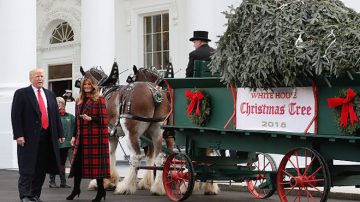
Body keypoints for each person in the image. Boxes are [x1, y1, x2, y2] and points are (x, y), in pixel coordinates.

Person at [11, 68, 65, 202]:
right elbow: (15, 116)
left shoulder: (50, 94)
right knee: (27, 168)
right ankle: (25, 196)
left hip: (47, 137)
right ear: (31, 78)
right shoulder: (21, 93)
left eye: (42, 76)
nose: (40, 79)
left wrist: (60, 133)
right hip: (28, 139)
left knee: (41, 169)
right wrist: (19, 135)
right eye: (37, 76)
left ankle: (35, 195)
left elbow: (55, 116)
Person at [66, 73, 110, 202]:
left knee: (97, 167)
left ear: (93, 86)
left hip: (95, 138)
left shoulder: (99, 100)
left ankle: (101, 191)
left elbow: (104, 120)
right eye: (84, 84)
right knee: (77, 165)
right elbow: (76, 122)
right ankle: (76, 189)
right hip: (81, 138)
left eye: (89, 84)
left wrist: (91, 119)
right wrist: (74, 136)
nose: (86, 86)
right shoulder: (78, 101)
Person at [48, 97, 75, 188]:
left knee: (62, 163)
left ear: (64, 104)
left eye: (61, 102)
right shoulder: (50, 117)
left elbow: (76, 129)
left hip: (66, 144)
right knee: (53, 162)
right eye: (57, 102)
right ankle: (52, 181)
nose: (59, 103)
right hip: (54, 144)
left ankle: (63, 182)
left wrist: (73, 139)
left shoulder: (70, 117)